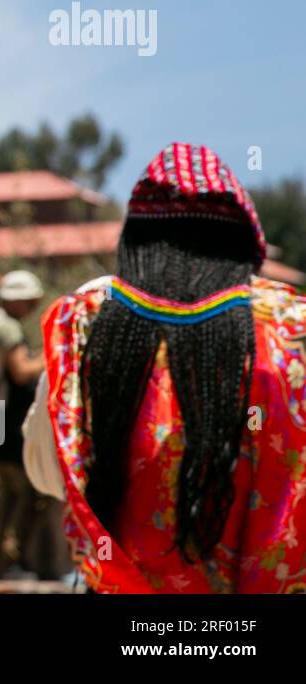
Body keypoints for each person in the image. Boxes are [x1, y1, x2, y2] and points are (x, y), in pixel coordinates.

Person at [23, 143, 306, 592]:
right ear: (245, 248)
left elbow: (45, 470)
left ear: (132, 243)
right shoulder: (292, 332)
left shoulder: (86, 327)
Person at [0, 270, 47, 577]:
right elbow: (21, 372)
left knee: (10, 496)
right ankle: (12, 563)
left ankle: (4, 566)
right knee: (30, 494)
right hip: (9, 429)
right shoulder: (7, 328)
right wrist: (53, 355)